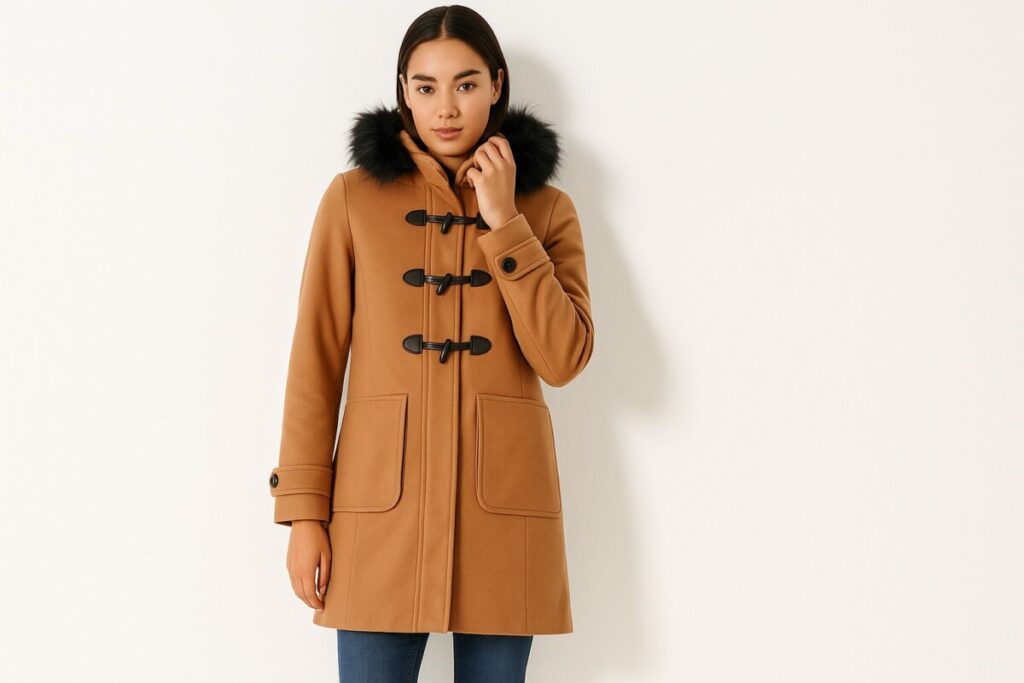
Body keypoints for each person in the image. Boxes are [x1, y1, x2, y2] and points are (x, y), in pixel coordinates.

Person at [268, 5, 595, 681]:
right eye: (426, 86)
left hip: (503, 516)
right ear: (404, 91)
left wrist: (504, 220)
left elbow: (564, 359)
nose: (445, 107)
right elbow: (315, 362)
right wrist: (303, 513)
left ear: (496, 84)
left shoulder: (547, 210)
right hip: (376, 516)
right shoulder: (353, 200)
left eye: (466, 84)